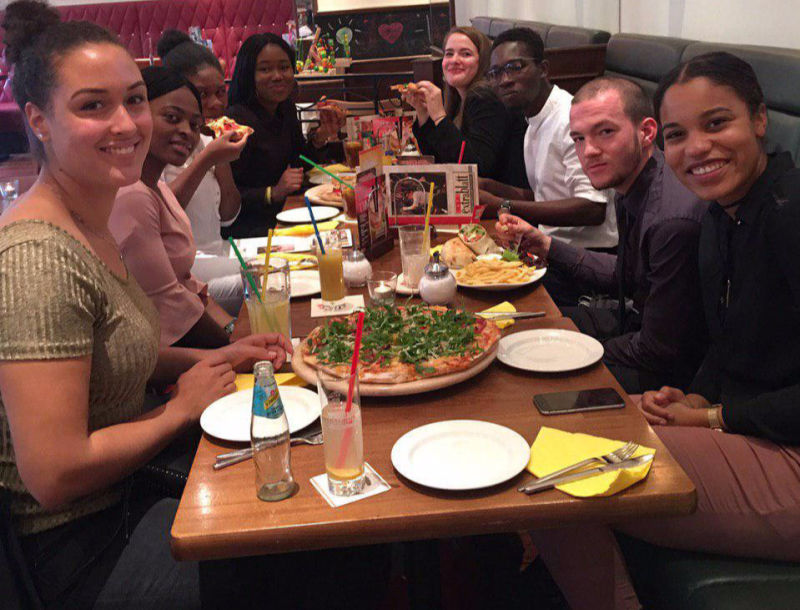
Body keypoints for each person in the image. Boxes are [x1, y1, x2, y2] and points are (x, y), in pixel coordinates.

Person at [0, 3, 291, 607]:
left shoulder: (94, 220)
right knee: (301, 543)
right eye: (92, 106)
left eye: (133, 100)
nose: (126, 124)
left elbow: (116, 354)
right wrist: (179, 410)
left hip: (135, 486)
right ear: (39, 120)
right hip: (85, 545)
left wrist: (221, 355)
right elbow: (54, 473)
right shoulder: (36, 258)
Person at [530, 52, 800, 610]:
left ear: (759, 119)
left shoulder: (787, 215)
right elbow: (726, 340)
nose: (696, 148)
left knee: (551, 474)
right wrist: (697, 395)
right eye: (679, 134)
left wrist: (715, 417)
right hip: (754, 427)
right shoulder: (726, 212)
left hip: (785, 449)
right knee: (551, 432)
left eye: (716, 123)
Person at [496, 77, 708, 393]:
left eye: (606, 132)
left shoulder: (671, 222)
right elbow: (625, 274)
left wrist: (575, 351)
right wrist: (547, 245)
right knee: (518, 330)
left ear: (647, 132)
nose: (589, 151)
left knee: (526, 378)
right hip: (634, 326)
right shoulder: (630, 181)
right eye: (578, 139)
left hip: (671, 372)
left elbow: (659, 349)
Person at [480, 27, 617, 305]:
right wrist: (491, 187)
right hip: (551, 249)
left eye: (514, 68)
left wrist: (503, 205)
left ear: (543, 69)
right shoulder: (534, 118)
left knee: (493, 305)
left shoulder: (568, 118)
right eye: (495, 73)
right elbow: (546, 196)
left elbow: (593, 208)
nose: (504, 80)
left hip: (585, 261)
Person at [109, 66, 237, 349]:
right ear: (136, 114)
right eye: (172, 118)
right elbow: (169, 305)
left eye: (194, 125)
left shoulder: (157, 187)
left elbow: (188, 283)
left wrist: (232, 330)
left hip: (186, 338)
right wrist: (232, 348)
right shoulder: (132, 195)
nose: (186, 132)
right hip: (159, 358)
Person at [158, 29, 247, 316]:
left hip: (218, 253)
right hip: (182, 270)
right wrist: (207, 159)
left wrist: (221, 159)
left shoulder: (208, 141)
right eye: (202, 95)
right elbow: (162, 214)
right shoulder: (161, 147)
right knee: (266, 279)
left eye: (220, 92)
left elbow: (229, 216)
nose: (216, 104)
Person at [225, 32, 345, 237]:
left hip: (289, 212)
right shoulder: (236, 121)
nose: (277, 76)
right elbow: (226, 196)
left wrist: (321, 136)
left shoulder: (285, 109)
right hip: (254, 230)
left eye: (284, 67)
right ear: (248, 74)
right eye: (265, 69)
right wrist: (272, 192)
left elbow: (298, 164)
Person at [403, 26, 527, 186]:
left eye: (466, 54)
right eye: (449, 54)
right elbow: (439, 160)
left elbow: (475, 169)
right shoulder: (458, 99)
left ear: (482, 61)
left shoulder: (486, 98)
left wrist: (440, 117)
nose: (454, 60)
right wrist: (423, 113)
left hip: (505, 198)